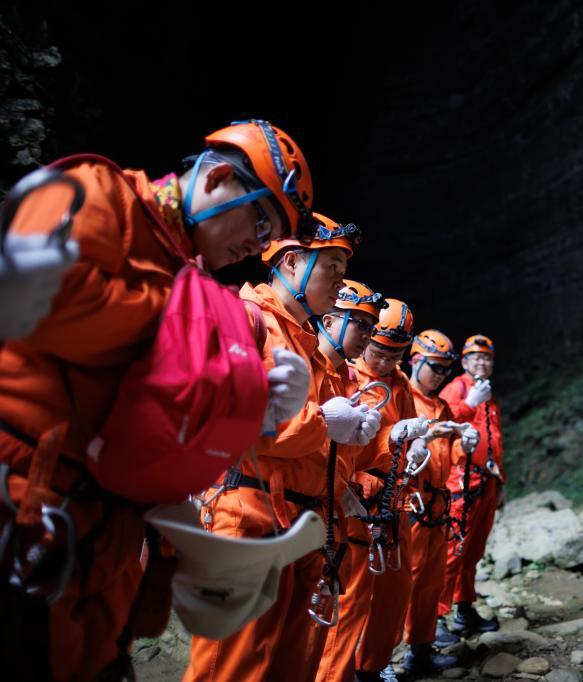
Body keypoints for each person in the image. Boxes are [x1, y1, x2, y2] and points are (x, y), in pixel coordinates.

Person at [0, 120, 317, 680]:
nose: (257, 245)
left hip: (103, 529)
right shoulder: (96, 191)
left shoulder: (189, 280)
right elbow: (40, 308)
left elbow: (159, 408)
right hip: (27, 498)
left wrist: (253, 405)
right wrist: (204, 345)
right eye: (261, 220)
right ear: (219, 177)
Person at [186, 218, 383, 682]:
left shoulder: (307, 341)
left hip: (303, 522)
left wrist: (341, 480)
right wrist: (326, 422)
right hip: (248, 512)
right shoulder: (246, 319)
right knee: (230, 666)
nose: (339, 278)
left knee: (291, 662)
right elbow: (238, 423)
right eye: (331, 265)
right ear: (291, 262)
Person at [318, 298, 430, 682]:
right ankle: (335, 675)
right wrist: (389, 443)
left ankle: (374, 665)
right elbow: (345, 450)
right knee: (351, 598)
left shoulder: (398, 382)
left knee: (396, 589)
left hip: (393, 502)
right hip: (358, 503)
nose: (385, 361)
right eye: (380, 351)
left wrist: (416, 446)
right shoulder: (348, 378)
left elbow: (410, 429)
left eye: (395, 354)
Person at [403, 329, 478, 675]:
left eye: (446, 369)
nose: (440, 374)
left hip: (436, 507)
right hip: (412, 506)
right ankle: (378, 660)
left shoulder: (441, 405)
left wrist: (466, 443)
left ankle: (420, 651)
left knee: (431, 583)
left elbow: (450, 453)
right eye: (435, 366)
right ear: (416, 360)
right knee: (403, 584)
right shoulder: (404, 395)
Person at [438, 334, 505, 636]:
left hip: (486, 481)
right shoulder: (457, 388)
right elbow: (443, 424)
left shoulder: (489, 396)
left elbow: (494, 440)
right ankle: (435, 620)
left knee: (473, 551)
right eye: (475, 357)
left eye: (486, 358)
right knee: (453, 551)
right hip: (461, 481)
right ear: (464, 362)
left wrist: (500, 482)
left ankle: (464, 610)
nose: (481, 362)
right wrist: (468, 403)